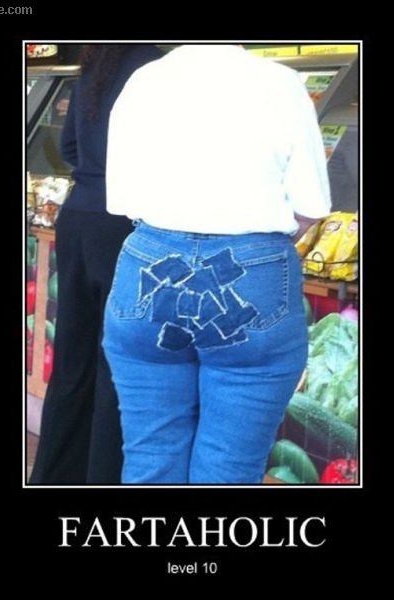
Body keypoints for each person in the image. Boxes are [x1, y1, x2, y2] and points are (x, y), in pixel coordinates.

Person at [102, 44, 331, 484]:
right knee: (231, 466)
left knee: (151, 456)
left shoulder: (144, 80)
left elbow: (123, 200)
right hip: (252, 273)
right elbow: (310, 206)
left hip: (152, 266)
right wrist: (251, 250)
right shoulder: (281, 82)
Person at [29, 43, 163, 485]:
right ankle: (102, 476)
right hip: (124, 225)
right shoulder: (155, 66)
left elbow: (69, 145)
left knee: (72, 360)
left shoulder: (95, 66)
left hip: (78, 218)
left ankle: (53, 475)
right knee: (116, 366)